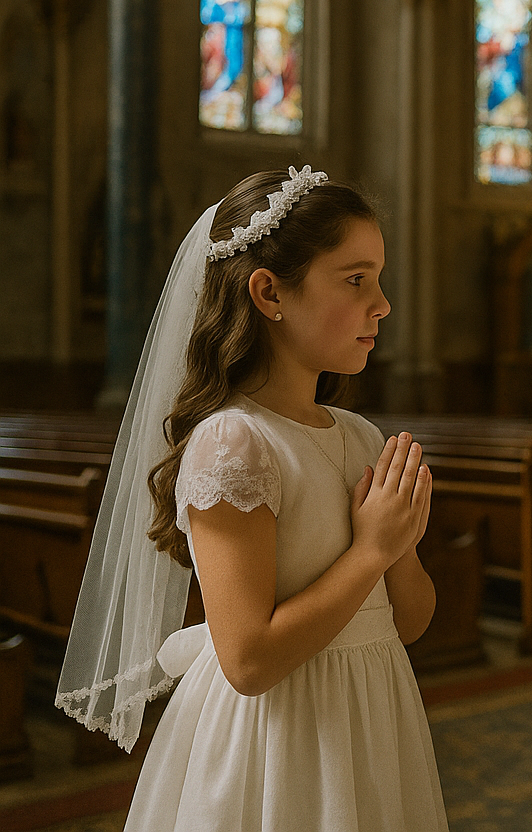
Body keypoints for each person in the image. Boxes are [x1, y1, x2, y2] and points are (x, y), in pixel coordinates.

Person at [56, 166, 449, 831]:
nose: (381, 304)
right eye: (356, 280)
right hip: (277, 741)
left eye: (378, 279)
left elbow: (408, 622)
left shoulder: (359, 437)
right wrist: (372, 548)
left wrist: (399, 549)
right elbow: (247, 661)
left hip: (374, 720)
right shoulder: (235, 444)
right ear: (269, 292)